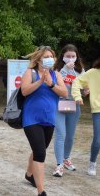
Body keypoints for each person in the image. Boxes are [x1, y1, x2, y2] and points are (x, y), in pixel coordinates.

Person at [21, 46, 67, 196]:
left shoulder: (56, 75)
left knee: (39, 149)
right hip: (31, 119)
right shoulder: (30, 72)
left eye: (51, 56)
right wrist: (41, 80)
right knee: (40, 153)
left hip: (49, 119)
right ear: (39, 59)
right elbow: (24, 91)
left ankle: (29, 174)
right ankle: (41, 191)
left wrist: (51, 84)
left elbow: (64, 93)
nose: (49, 59)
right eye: (46, 56)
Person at [52, 44, 87, 177]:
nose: (71, 59)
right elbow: (54, 82)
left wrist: (85, 91)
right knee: (61, 134)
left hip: (74, 105)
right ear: (63, 56)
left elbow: (83, 89)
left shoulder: (81, 70)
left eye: (73, 56)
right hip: (59, 103)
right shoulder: (57, 69)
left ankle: (66, 158)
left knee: (70, 135)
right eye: (68, 56)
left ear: (77, 56)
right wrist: (65, 69)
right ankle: (59, 164)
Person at [72, 56, 100, 176]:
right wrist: (77, 96)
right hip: (98, 109)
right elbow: (76, 82)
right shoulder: (93, 72)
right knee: (98, 139)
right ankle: (92, 163)